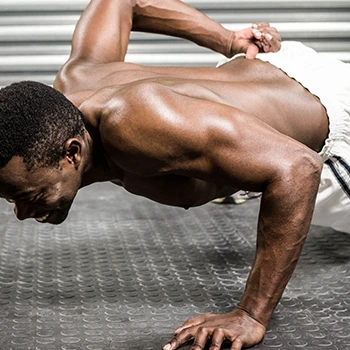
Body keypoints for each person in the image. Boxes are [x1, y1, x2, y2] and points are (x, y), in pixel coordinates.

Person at [0, 0, 349, 349]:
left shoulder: (133, 124)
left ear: (72, 153)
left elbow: (298, 168)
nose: (23, 213)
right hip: (279, 72)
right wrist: (227, 41)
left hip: (329, 132)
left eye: (29, 196)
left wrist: (251, 315)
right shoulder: (75, 82)